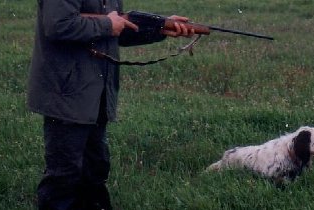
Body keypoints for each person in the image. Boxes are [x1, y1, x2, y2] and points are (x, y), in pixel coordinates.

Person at [26, 0, 196, 209]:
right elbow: (58, 25)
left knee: (95, 168)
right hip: (66, 93)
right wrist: (107, 25)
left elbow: (119, 28)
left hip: (97, 92)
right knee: (65, 175)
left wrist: (161, 27)